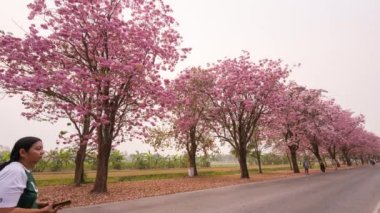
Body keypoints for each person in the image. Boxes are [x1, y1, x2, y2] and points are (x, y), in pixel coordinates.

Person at [0, 137, 60, 213]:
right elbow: (5, 211)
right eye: (38, 149)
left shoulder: (24, 170)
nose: (42, 152)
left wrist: (39, 204)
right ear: (22, 152)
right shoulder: (15, 171)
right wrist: (42, 211)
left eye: (42, 149)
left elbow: (21, 199)